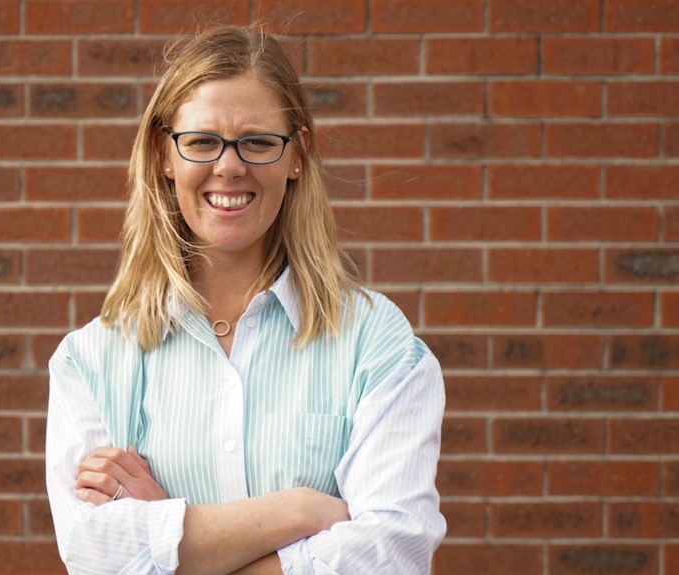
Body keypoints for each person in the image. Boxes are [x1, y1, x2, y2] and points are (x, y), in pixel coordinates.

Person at [46, 25, 446, 575]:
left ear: (297, 155)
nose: (229, 166)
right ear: (165, 155)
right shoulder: (89, 361)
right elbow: (96, 558)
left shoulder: (376, 344)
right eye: (202, 141)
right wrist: (300, 509)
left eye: (258, 141)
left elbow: (392, 555)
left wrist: (167, 534)